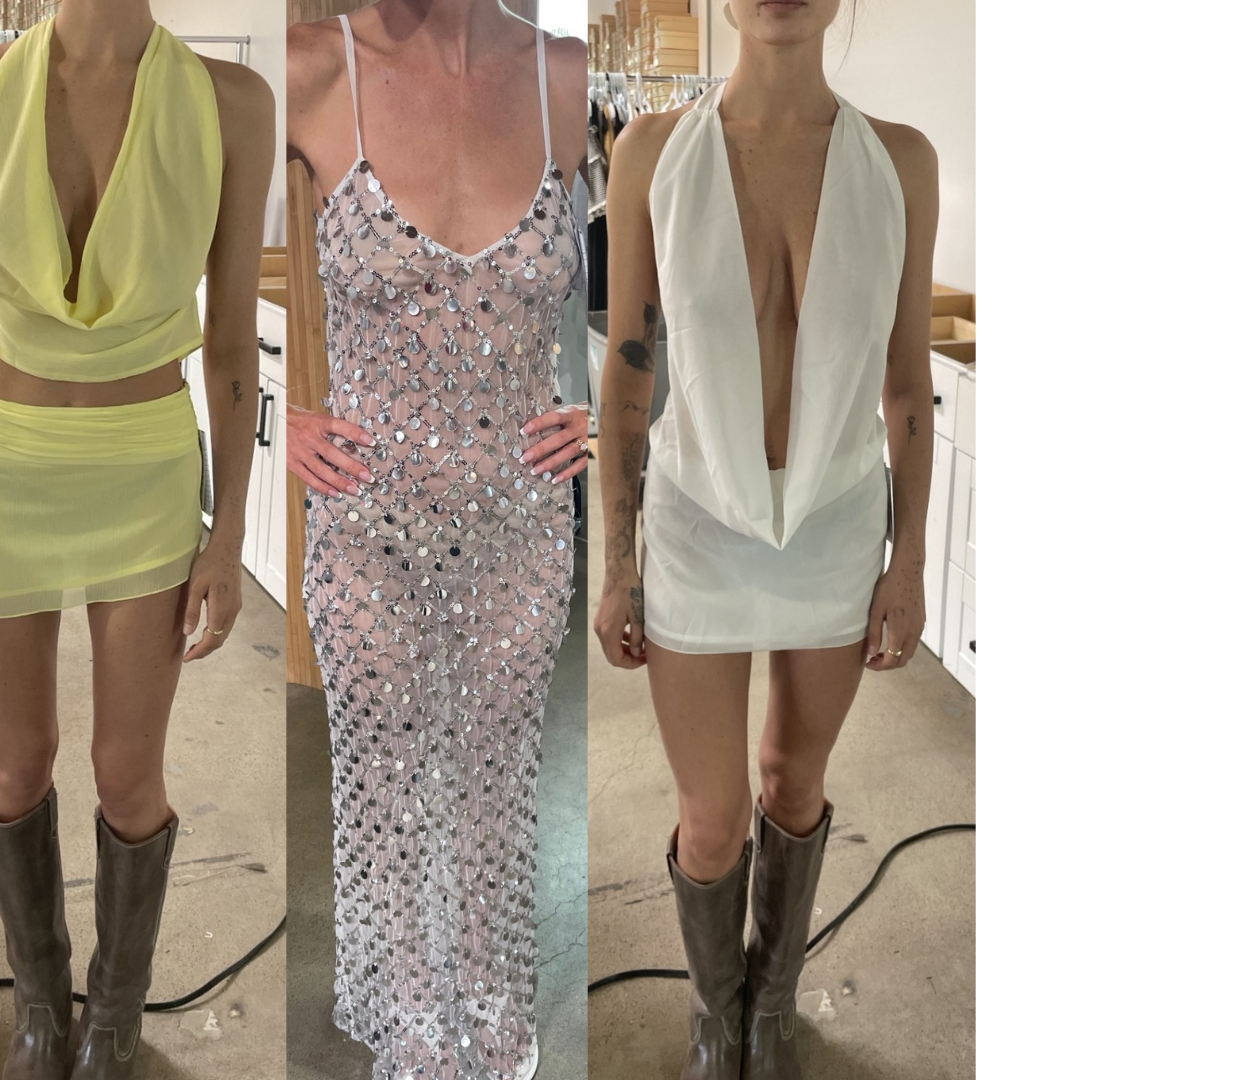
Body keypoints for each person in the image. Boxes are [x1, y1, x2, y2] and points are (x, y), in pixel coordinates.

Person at [0, 2, 274, 1076]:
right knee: (17, 761)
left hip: (144, 468)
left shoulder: (232, 103)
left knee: (128, 773)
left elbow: (232, 337)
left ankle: (113, 1016)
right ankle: (38, 1005)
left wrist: (229, 535)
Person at [591, 1, 938, 1077]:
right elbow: (629, 371)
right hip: (697, 523)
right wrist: (617, 564)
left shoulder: (901, 164)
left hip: (836, 519)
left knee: (794, 781)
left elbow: (907, 385)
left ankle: (772, 1005)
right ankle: (715, 1013)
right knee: (712, 817)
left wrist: (909, 560)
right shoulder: (650, 153)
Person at [285, 2, 588, 1076]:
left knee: (497, 780)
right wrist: (276, 413)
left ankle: (494, 1005)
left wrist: (607, 409)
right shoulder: (313, 68)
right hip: (368, 527)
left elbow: (639, 287)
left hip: (522, 522)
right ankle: (414, 1022)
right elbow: (195, 234)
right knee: (386, 786)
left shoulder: (562, 74)